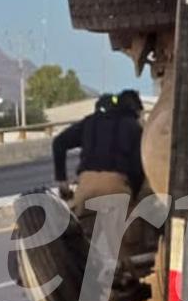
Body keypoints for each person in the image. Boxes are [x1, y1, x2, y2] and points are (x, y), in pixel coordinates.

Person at [52, 89, 146, 224]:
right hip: (117, 189)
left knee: (80, 226)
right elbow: (138, 170)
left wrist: (62, 182)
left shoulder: (89, 122)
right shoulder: (134, 127)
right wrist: (135, 194)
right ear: (137, 111)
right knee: (139, 221)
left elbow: (58, 143)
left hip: (85, 190)